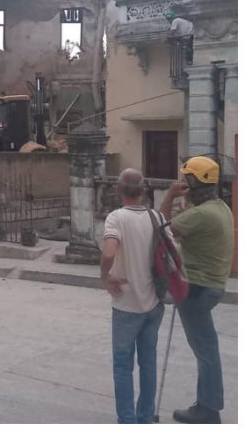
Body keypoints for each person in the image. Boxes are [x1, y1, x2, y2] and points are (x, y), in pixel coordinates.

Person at [161, 156, 233, 424]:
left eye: (186, 179)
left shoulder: (201, 214)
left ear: (194, 182)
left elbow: (162, 228)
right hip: (212, 285)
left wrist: (169, 196)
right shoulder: (220, 208)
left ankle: (209, 408)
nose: (183, 184)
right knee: (208, 346)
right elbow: (183, 227)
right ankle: (207, 402)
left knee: (205, 349)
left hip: (197, 288)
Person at [100, 168, 164, 424]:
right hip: (153, 303)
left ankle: (127, 421)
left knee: (123, 366)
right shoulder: (156, 217)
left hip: (126, 304)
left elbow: (108, 253)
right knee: (148, 362)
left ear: (118, 190)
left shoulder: (116, 218)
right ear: (144, 191)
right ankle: (146, 417)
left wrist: (105, 276)